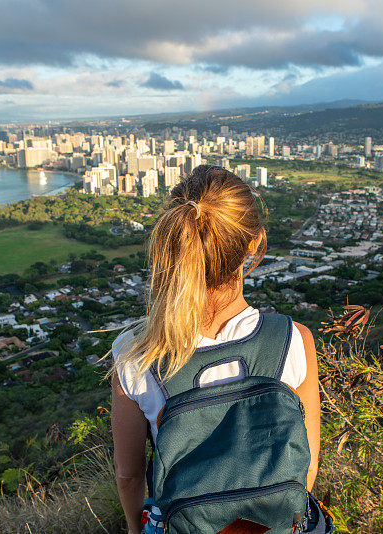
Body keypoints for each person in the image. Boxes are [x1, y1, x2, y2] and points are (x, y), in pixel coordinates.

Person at [111, 165, 321, 534]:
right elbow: (307, 463)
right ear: (254, 244)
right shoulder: (293, 340)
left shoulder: (136, 355)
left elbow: (129, 476)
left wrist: (133, 528)